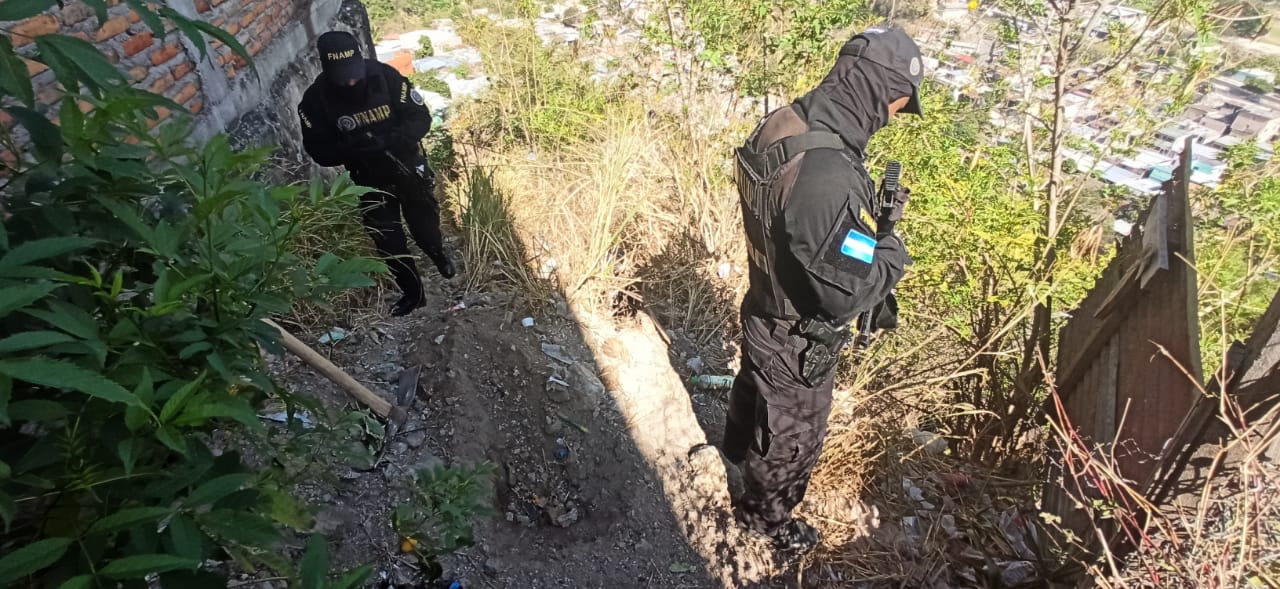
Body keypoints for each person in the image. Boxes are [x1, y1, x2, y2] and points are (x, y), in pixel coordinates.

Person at [718, 25, 923, 552]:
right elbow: (844, 294)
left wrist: (859, 224)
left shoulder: (786, 121)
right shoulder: (829, 175)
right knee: (793, 433)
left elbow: (797, 225)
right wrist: (890, 245)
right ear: (880, 89)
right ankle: (765, 522)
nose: (896, 114)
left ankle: (734, 454)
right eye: (899, 102)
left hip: (766, 302)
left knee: (756, 390)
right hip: (797, 336)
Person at [297, 30, 455, 317]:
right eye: (341, 76)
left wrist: (393, 138)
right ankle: (413, 293)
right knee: (387, 241)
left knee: (425, 225)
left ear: (360, 59)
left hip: (407, 167)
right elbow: (318, 151)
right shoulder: (315, 101)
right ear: (325, 68)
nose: (350, 81)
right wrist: (351, 148)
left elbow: (421, 118)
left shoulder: (386, 77)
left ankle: (438, 255)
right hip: (367, 179)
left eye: (354, 72)